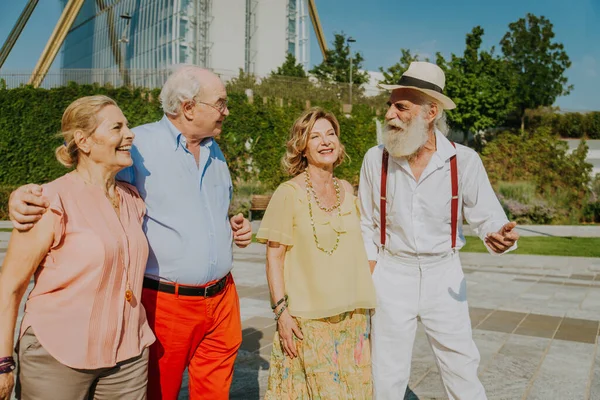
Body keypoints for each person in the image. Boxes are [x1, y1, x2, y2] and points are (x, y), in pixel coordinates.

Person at [7, 66, 253, 400]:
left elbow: (200, 211)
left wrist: (231, 227)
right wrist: (21, 196)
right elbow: (84, 183)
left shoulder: (215, 151)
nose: (227, 111)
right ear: (189, 107)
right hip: (166, 303)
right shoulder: (138, 146)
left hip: (221, 300)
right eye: (220, 103)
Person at [359, 62, 520, 399]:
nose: (389, 114)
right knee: (385, 375)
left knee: (461, 367)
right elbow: (367, 224)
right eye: (390, 104)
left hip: (444, 274)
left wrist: (498, 236)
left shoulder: (464, 160)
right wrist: (369, 279)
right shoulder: (376, 160)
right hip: (392, 272)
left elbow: (487, 217)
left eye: (401, 106)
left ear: (430, 112)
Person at [0, 95, 154, 400]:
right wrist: (3, 362)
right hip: (56, 356)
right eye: (117, 127)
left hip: (128, 357)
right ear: (84, 141)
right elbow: (10, 287)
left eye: (128, 125)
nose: (130, 133)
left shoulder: (133, 200)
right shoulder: (48, 202)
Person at [257, 107, 377, 399]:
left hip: (352, 317)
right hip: (308, 322)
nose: (326, 142)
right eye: (315, 137)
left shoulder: (348, 191)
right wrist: (282, 313)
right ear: (302, 147)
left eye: (331, 134)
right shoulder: (288, 193)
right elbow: (274, 257)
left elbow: (365, 244)